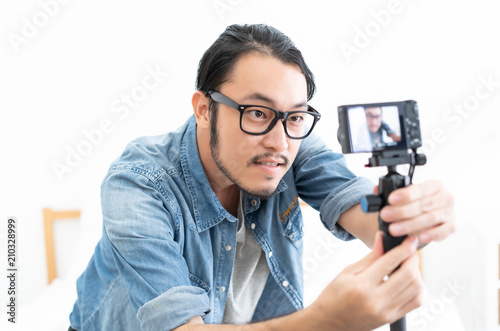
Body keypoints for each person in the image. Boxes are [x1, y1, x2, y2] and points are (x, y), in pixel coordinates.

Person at [68, 24, 455, 331]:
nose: (279, 142)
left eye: (295, 116)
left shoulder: (291, 143)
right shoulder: (137, 185)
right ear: (204, 109)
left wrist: (413, 217)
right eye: (256, 112)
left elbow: (362, 211)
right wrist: (325, 322)